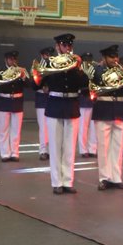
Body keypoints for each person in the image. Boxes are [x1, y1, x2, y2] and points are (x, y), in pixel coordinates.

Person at [35, 34, 89, 194]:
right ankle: (56, 182)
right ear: (58, 46)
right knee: (55, 146)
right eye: (64, 46)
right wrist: (46, 73)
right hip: (55, 105)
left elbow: (85, 84)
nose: (67, 48)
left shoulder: (77, 64)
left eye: (69, 46)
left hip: (72, 105)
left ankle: (68, 181)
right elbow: (35, 83)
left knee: (70, 147)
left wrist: (77, 69)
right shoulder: (50, 62)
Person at [91, 45, 123, 191]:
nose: (115, 59)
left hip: (118, 110)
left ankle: (116, 177)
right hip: (103, 109)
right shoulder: (98, 71)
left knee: (117, 148)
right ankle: (104, 178)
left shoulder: (121, 71)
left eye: (116, 57)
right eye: (112, 57)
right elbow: (95, 85)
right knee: (103, 147)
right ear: (104, 58)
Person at [0, 50, 27, 162]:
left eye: (14, 59)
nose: (13, 61)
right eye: (10, 59)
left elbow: (29, 85)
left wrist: (24, 76)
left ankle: (15, 153)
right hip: (3, 101)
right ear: (6, 60)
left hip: (17, 101)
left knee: (16, 129)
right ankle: (5, 153)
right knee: (3, 129)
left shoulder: (21, 70)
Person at [32, 47, 53, 161]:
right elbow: (33, 84)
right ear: (42, 55)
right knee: (43, 127)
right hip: (41, 98)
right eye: (45, 55)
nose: (48, 56)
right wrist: (42, 86)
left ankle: (51, 150)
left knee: (53, 126)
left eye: (49, 55)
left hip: (52, 97)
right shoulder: (37, 65)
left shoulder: (54, 65)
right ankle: (43, 150)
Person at [77, 52, 96, 157]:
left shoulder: (94, 70)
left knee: (93, 127)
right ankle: (83, 150)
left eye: (89, 59)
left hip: (92, 101)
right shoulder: (79, 71)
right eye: (86, 59)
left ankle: (92, 149)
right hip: (83, 100)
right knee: (83, 127)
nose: (88, 62)